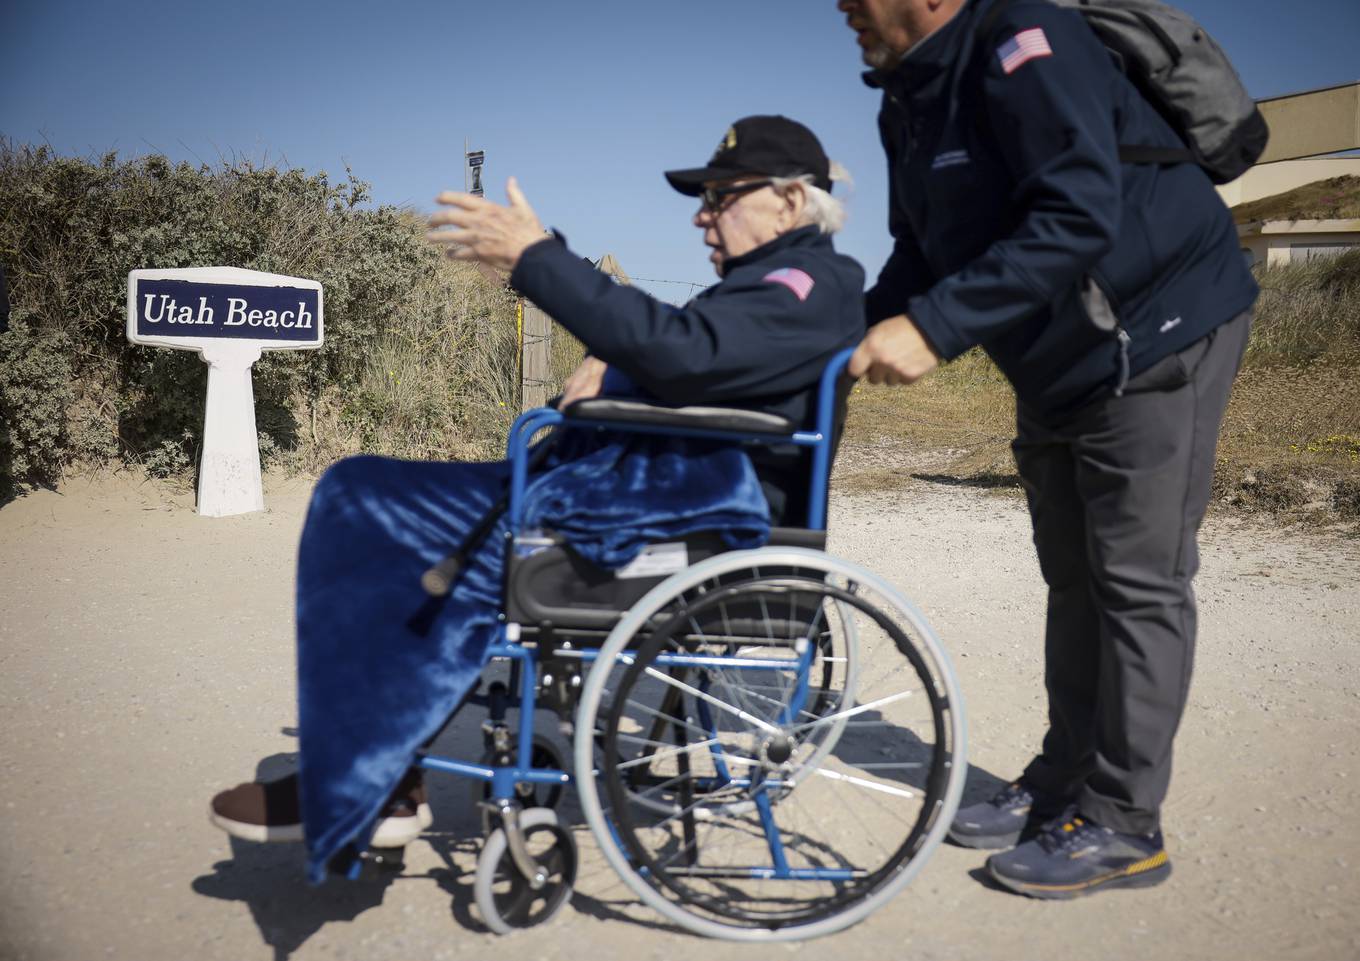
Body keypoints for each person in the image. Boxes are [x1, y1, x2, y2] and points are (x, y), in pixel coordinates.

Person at [207, 116, 866, 882]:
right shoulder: (787, 284)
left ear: (789, 201)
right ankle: (372, 765)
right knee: (364, 493)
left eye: (720, 197)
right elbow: (697, 354)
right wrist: (613, 363)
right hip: (654, 492)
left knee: (365, 503)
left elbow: (689, 358)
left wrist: (539, 260)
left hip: (690, 522)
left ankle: (366, 780)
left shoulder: (802, 285)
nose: (701, 214)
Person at [837, 0, 1258, 899]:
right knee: (1073, 574)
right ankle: (1065, 778)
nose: (838, 4)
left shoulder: (1029, 41)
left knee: (1137, 578)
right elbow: (921, 249)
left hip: (1156, 326)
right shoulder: (904, 98)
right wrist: (844, 337)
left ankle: (1123, 822)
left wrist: (936, 329)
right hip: (1057, 357)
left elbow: (1078, 213)